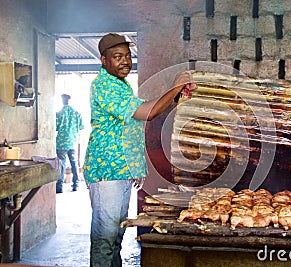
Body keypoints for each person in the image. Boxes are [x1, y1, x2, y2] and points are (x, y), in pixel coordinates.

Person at [83, 33, 196, 267]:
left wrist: (135, 167)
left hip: (121, 171)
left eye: (127, 56)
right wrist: (174, 88)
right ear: (103, 60)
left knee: (116, 236)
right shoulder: (105, 86)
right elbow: (147, 112)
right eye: (117, 57)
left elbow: (131, 125)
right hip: (107, 173)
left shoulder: (120, 85)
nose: (125, 61)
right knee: (105, 238)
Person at [56, 94, 84, 193]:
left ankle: (59, 187)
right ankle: (76, 185)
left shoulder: (59, 114)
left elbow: (55, 127)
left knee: (62, 165)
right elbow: (81, 127)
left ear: (62, 100)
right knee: (74, 163)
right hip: (73, 142)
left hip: (61, 143)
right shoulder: (77, 113)